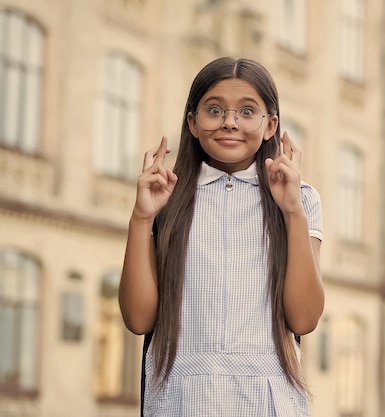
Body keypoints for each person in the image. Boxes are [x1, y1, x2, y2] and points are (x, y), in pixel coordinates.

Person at [118, 56, 324, 417]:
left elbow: (304, 319)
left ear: (270, 124)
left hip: (269, 402)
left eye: (247, 111)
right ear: (193, 123)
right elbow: (138, 319)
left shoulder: (301, 198)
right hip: (180, 401)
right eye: (215, 110)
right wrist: (140, 218)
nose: (230, 122)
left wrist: (292, 211)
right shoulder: (165, 197)